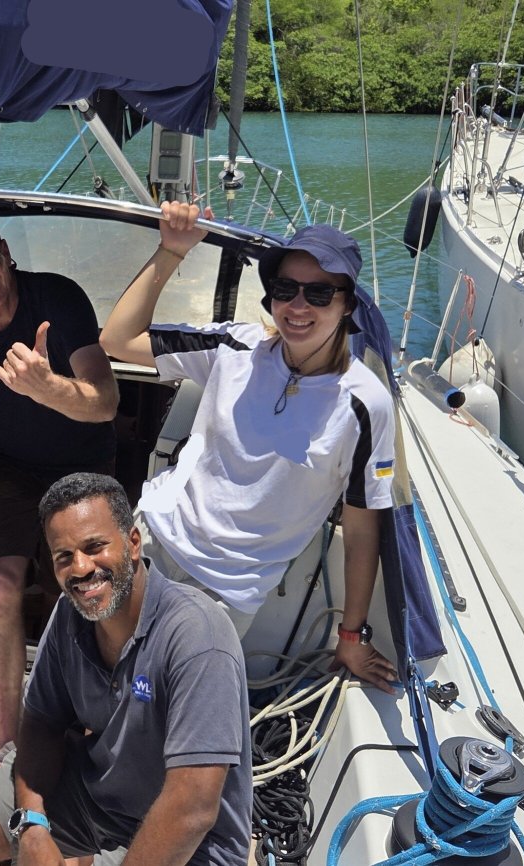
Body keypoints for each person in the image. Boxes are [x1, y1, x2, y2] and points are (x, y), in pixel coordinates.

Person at [99, 202, 397, 693]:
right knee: (107, 678)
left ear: (348, 305)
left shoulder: (366, 405)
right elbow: (118, 339)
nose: (298, 307)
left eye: (320, 293)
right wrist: (171, 252)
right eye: (285, 290)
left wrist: (351, 636)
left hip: (229, 592)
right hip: (153, 542)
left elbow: (364, 531)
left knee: (167, 707)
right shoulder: (235, 348)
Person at [0, 472, 252, 866]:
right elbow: (42, 723)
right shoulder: (69, 614)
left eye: (95, 547)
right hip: (95, 799)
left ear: (132, 543)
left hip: (196, 846)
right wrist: (33, 824)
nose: (80, 568)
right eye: (64, 556)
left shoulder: (197, 635)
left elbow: (191, 809)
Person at [0, 212, 119, 762]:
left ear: (6, 250)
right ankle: (7, 741)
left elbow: (105, 401)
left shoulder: (57, 300)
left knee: (78, 586)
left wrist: (47, 387)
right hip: (7, 466)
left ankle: (84, 721)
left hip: (82, 463)